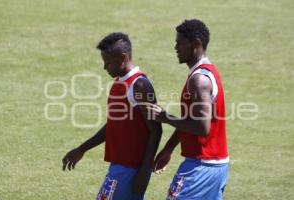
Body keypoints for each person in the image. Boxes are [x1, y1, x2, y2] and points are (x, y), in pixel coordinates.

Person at [62, 32, 162, 200]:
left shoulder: (140, 85)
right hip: (120, 166)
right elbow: (114, 125)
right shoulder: (120, 82)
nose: (104, 67)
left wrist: (144, 171)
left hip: (129, 169)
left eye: (108, 62)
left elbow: (156, 130)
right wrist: (82, 149)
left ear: (123, 57)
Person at [146, 19, 229, 200]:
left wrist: (165, 117)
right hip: (215, 164)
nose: (176, 47)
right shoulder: (208, 72)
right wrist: (168, 149)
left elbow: (201, 127)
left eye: (180, 43)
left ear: (196, 44)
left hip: (200, 167)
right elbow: (191, 120)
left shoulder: (198, 80)